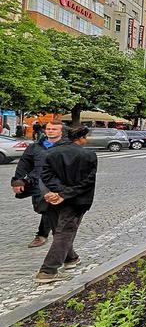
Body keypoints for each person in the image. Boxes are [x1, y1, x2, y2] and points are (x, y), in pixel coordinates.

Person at [34, 126, 97, 284]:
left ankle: (71, 258)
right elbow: (87, 182)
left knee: (60, 231)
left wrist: (58, 193)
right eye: (87, 137)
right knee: (65, 232)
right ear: (81, 138)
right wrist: (65, 194)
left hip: (53, 198)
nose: (88, 140)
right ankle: (48, 271)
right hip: (76, 201)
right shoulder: (89, 154)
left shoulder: (49, 152)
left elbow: (46, 176)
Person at [10, 121, 65, 248]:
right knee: (43, 208)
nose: (51, 131)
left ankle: (45, 236)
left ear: (61, 131)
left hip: (60, 183)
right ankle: (53, 237)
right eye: (49, 129)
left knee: (50, 208)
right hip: (39, 182)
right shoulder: (35, 147)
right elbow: (24, 164)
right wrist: (18, 180)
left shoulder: (66, 146)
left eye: (54, 129)